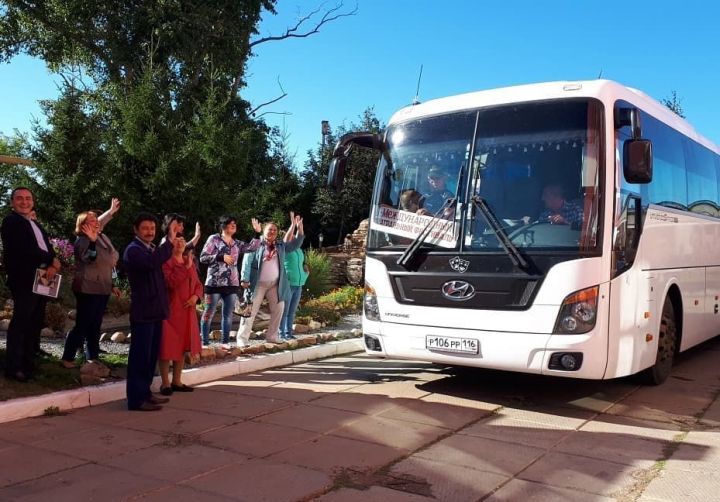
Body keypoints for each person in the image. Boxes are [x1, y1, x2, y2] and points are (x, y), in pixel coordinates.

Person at [1, 187, 59, 381]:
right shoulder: (11, 222)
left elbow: (47, 246)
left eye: (28, 199)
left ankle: (28, 363)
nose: (24, 202)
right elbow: (26, 250)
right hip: (24, 279)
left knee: (35, 322)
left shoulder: (34, 223)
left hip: (41, 278)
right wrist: (50, 260)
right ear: (12, 203)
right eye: (19, 199)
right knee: (21, 321)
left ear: (33, 202)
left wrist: (55, 260)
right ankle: (13, 367)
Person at [122, 212, 179, 411]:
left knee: (150, 356)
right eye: (145, 228)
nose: (149, 232)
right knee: (140, 357)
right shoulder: (133, 250)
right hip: (143, 311)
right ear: (136, 230)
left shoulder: (150, 249)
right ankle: (136, 399)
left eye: (152, 228)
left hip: (155, 310)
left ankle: (145, 393)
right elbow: (152, 264)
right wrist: (169, 241)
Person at [60, 199, 122, 369]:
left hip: (102, 287)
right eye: (91, 220)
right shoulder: (83, 241)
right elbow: (90, 258)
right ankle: (67, 358)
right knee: (83, 324)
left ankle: (92, 357)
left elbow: (109, 262)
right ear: (83, 226)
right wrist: (93, 241)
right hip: (87, 289)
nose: (96, 222)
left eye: (96, 219)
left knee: (95, 325)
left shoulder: (102, 236)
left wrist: (113, 284)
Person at [239, 216, 305, 345]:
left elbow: (296, 244)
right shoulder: (257, 243)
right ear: (264, 231)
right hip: (257, 284)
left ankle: (272, 337)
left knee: (279, 308)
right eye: (270, 229)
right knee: (249, 310)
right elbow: (247, 261)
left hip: (275, 284)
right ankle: (242, 338)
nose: (272, 232)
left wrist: (300, 228)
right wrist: (244, 278)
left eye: (275, 230)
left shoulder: (280, 245)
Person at [199, 215, 262, 346]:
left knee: (227, 316)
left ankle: (225, 343)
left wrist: (257, 233)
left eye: (235, 223)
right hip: (214, 284)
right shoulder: (214, 239)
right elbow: (203, 257)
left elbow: (252, 248)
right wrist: (221, 257)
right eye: (230, 223)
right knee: (208, 313)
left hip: (231, 284)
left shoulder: (236, 243)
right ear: (223, 225)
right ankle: (205, 343)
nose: (233, 225)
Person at [159, 236, 202, 395]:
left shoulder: (188, 260)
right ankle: (165, 383)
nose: (181, 242)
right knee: (166, 347)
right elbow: (171, 283)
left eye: (183, 240)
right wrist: (185, 267)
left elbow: (198, 284)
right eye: (176, 240)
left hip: (187, 311)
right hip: (171, 311)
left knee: (183, 347)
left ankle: (177, 381)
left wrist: (196, 297)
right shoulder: (166, 263)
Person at [279, 214, 309, 341]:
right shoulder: (284, 248)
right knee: (284, 310)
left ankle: (289, 332)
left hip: (299, 284)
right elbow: (286, 240)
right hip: (289, 283)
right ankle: (282, 333)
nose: (292, 236)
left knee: (292, 311)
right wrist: (292, 226)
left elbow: (300, 237)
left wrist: (299, 227)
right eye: (290, 234)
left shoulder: (298, 249)